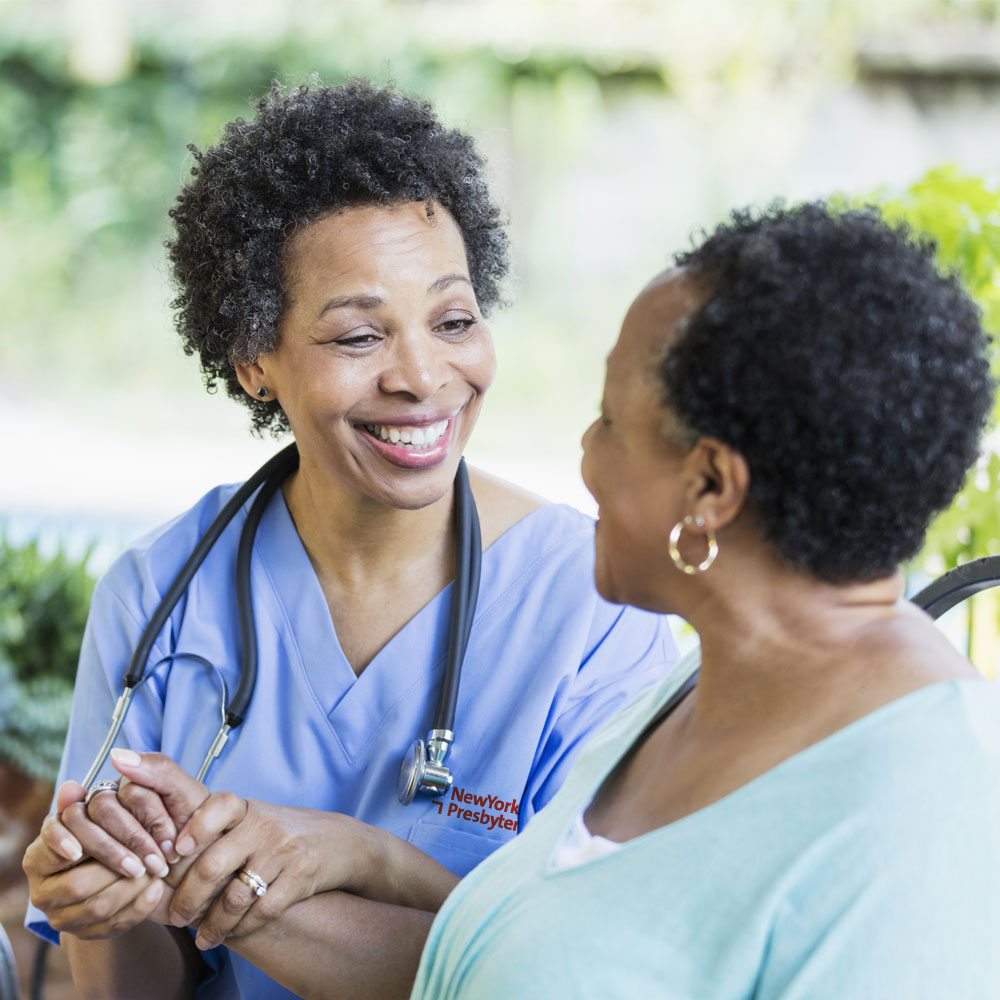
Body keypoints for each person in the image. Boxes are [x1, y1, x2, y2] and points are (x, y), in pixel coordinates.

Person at [21, 80, 675, 999]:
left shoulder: (598, 606)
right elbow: (128, 989)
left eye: (453, 321)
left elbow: (593, 967)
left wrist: (351, 858)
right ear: (254, 359)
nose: (422, 377)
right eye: (360, 335)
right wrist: (110, 900)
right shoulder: (159, 592)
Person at [403, 202, 1000, 997]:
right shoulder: (685, 697)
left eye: (611, 422)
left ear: (711, 485)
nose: (584, 453)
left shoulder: (925, 820)